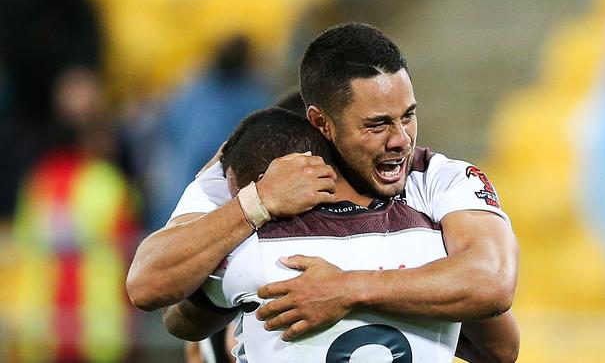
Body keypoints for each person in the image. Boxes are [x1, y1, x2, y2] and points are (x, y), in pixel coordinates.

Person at [127, 23, 519, 362]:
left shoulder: (437, 178)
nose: (401, 139)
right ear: (321, 123)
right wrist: (256, 203)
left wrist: (347, 288)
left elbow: (495, 291)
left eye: (409, 115)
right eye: (377, 124)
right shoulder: (239, 173)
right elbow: (151, 286)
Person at [165, 107, 463, 362]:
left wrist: (207, 190)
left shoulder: (253, 252)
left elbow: (170, 310)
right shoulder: (432, 242)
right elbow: (499, 345)